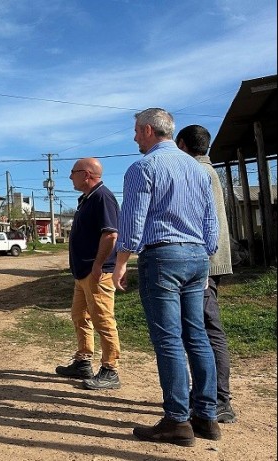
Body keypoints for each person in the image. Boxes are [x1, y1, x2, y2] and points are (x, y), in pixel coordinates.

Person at [112, 108, 220, 446]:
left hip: (163, 256)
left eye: (135, 131)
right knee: (197, 336)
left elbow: (132, 222)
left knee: (169, 339)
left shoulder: (143, 168)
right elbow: (211, 222)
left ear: (146, 130)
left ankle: (176, 420)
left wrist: (120, 262)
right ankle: (206, 415)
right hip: (198, 254)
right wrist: (204, 255)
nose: (133, 138)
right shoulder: (198, 168)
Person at [176, 124, 236, 423]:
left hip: (205, 265)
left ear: (183, 144)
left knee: (207, 332)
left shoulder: (199, 172)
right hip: (210, 263)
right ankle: (210, 395)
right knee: (204, 330)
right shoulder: (208, 171)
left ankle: (218, 399)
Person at [55, 157, 122, 390]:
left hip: (97, 274)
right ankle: (83, 362)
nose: (70, 176)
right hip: (82, 273)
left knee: (103, 319)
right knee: (80, 316)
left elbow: (111, 235)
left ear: (86, 174)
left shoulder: (103, 197)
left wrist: (98, 265)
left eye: (73, 172)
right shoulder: (87, 199)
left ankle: (110, 370)